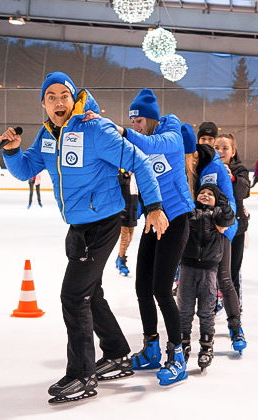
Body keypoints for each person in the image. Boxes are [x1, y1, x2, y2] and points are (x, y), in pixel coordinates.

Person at [0, 72, 168, 404]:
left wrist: (154, 206)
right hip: (78, 225)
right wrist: (13, 151)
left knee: (73, 296)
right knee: (91, 292)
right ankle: (118, 353)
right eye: (51, 97)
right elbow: (24, 171)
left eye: (64, 95)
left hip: (104, 221)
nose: (58, 102)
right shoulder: (48, 135)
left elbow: (142, 161)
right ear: (43, 104)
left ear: (74, 97)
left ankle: (82, 374)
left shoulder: (96, 129)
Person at [83, 88, 194, 386]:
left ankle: (178, 354)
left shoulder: (172, 131)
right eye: (132, 121)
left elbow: (150, 142)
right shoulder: (138, 139)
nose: (136, 125)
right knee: (142, 287)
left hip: (177, 218)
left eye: (140, 120)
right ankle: (151, 348)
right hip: (152, 219)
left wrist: (118, 128)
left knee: (161, 289)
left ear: (152, 119)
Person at [182, 125, 247, 355]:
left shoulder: (215, 167)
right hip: (193, 235)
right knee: (187, 286)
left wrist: (224, 228)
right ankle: (184, 334)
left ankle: (236, 328)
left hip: (218, 233)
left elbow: (229, 200)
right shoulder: (185, 168)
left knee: (225, 279)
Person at [178, 183, 235, 371]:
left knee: (206, 311)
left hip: (209, 270)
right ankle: (183, 343)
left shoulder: (219, 216)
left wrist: (224, 204)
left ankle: (206, 346)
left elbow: (229, 219)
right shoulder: (191, 212)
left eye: (210, 194)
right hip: (187, 267)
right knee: (184, 310)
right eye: (202, 192)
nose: (204, 195)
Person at [213, 132, 250, 303]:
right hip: (214, 229)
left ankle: (235, 307)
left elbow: (244, 191)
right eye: (217, 147)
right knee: (213, 271)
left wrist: (232, 178)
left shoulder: (239, 170)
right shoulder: (209, 167)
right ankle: (212, 303)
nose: (220, 151)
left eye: (225, 148)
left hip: (236, 230)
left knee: (232, 272)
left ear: (233, 151)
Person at [115, 170, 138, 277]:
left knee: (129, 238)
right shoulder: (121, 178)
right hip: (123, 213)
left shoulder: (135, 178)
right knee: (125, 238)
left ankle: (120, 256)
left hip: (132, 213)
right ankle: (121, 261)